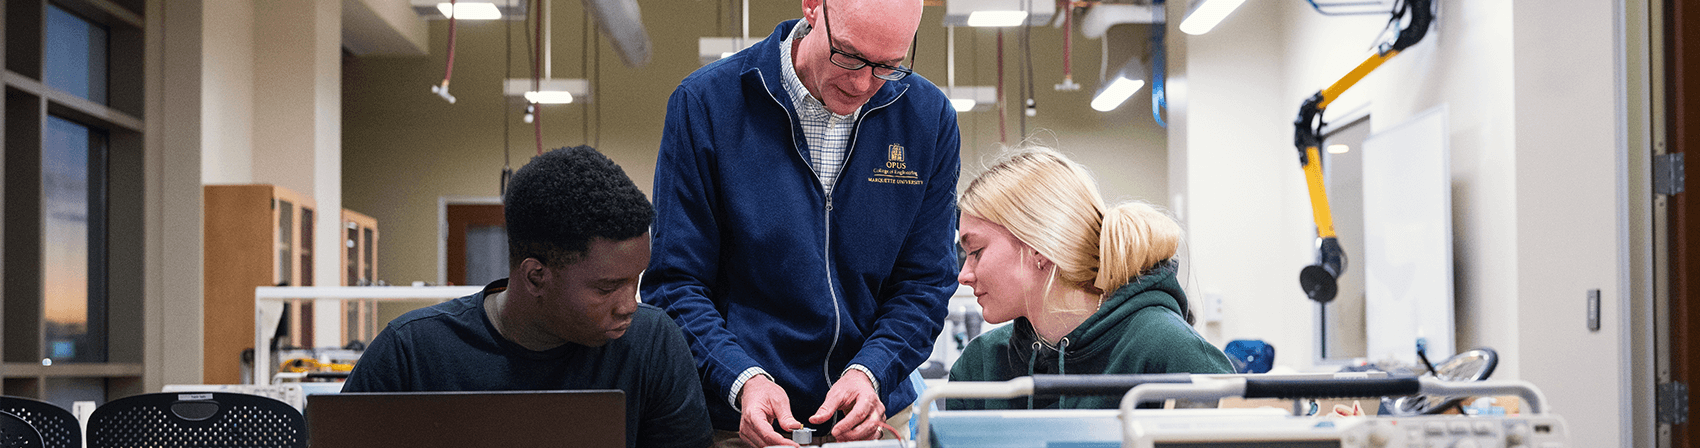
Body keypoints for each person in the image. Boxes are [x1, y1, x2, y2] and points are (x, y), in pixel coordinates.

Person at [642, 0, 961, 446]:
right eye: (848, 55)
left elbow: (925, 283)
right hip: (742, 421)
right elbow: (675, 284)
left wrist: (872, 371)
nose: (864, 83)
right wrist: (743, 379)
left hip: (869, 420)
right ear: (813, 7)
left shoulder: (928, 119)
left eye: (889, 66)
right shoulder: (707, 106)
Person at [342, 146, 713, 448]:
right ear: (537, 276)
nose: (629, 303)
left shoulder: (652, 344)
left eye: (635, 281)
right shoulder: (410, 353)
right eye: (606, 288)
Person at [947, 146, 1234, 410]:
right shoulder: (980, 367)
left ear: (1038, 246)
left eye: (976, 252)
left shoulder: (1171, 355)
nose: (964, 275)